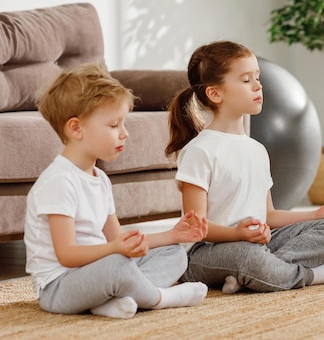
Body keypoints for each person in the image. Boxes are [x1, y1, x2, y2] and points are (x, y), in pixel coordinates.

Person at [165, 40, 324, 294]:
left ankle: (253, 275)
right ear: (215, 93)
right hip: (208, 253)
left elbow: (269, 216)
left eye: (257, 77)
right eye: (246, 80)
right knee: (246, 256)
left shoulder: (257, 150)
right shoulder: (199, 150)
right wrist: (237, 233)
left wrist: (319, 214)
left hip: (257, 245)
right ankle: (312, 275)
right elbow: (195, 229)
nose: (258, 86)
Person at [24, 64, 209, 319]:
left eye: (123, 124)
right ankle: (159, 298)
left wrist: (173, 234)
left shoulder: (100, 179)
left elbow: (117, 241)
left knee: (175, 254)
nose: (125, 133)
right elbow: (67, 255)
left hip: (101, 271)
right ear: (76, 128)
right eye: (114, 125)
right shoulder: (58, 181)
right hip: (59, 287)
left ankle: (115, 299)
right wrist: (115, 250)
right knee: (118, 266)